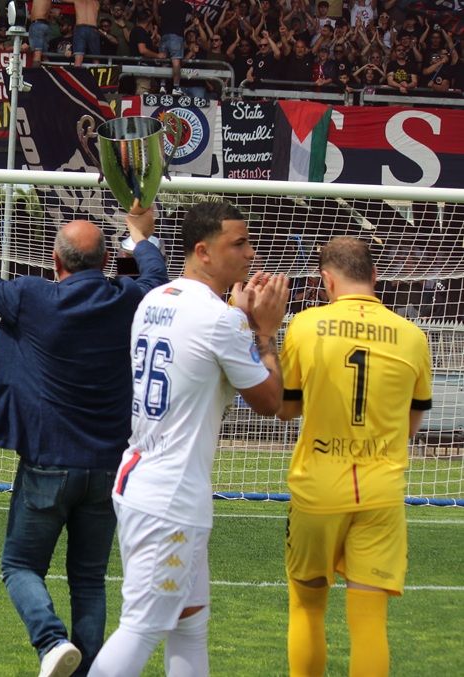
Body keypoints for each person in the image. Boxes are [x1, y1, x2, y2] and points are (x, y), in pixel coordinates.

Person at [0, 179, 170, 677]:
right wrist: (141, 235)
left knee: (20, 566)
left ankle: (50, 641)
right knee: (88, 580)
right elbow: (156, 276)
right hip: (107, 469)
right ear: (105, 263)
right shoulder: (128, 300)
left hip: (49, 463)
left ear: (55, 261)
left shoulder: (32, 297)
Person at [90, 202, 288, 677]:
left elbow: (203, 350)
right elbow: (270, 402)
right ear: (203, 251)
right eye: (238, 243)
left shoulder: (155, 299)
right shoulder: (220, 320)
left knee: (190, 624)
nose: (250, 253)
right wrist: (265, 333)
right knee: (142, 627)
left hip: (145, 477)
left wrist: (240, 321)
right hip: (171, 493)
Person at [277, 237, 432, 677]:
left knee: (307, 608)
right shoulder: (413, 336)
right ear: (375, 276)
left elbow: (286, 409)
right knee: (369, 623)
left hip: (318, 487)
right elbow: (412, 423)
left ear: (326, 280)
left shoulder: (305, 325)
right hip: (382, 489)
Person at [157, 0, 192, 95]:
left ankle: (162, 86)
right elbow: (187, 19)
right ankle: (176, 87)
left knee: (164, 62)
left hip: (164, 36)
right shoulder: (186, 5)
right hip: (176, 36)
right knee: (176, 63)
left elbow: (159, 20)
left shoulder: (164, 6)